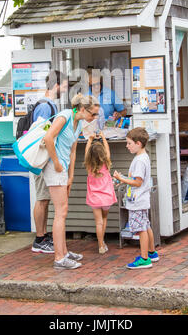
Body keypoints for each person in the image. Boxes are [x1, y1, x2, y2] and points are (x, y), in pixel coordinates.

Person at [43, 93, 100, 269]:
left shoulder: (78, 123)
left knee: (63, 211)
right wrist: (58, 164)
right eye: (92, 114)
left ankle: (64, 251)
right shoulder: (65, 116)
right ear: (82, 109)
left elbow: (73, 150)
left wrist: (71, 175)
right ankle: (59, 258)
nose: (93, 118)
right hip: (55, 168)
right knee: (61, 212)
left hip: (63, 169)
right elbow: (48, 138)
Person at [31, 70, 68, 255]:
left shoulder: (49, 105)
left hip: (44, 158)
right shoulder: (46, 107)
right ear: (56, 86)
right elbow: (41, 134)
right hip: (41, 159)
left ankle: (43, 235)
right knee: (41, 198)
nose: (66, 89)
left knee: (44, 198)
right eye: (65, 85)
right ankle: (39, 238)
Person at [113, 127, 159, 269]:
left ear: (138, 143)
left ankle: (144, 258)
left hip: (137, 200)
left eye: (129, 143)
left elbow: (138, 182)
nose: (127, 146)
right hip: (142, 199)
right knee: (146, 225)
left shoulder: (139, 161)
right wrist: (124, 179)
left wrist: (122, 179)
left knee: (140, 229)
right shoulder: (143, 157)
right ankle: (152, 252)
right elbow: (137, 179)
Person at [84, 131, 117, 254]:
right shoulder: (106, 164)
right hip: (106, 198)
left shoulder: (89, 166)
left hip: (95, 199)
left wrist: (90, 139)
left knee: (98, 222)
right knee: (104, 218)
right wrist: (103, 138)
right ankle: (102, 242)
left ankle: (101, 245)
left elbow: (87, 152)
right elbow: (107, 151)